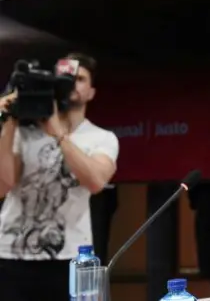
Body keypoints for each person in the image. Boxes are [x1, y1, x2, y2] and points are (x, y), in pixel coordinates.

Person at [0, 53, 120, 301]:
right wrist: (9, 123)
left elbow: (96, 182)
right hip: (10, 254)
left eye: (80, 78)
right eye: (65, 77)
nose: (71, 83)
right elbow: (3, 185)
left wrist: (57, 133)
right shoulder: (25, 134)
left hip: (69, 257)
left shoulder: (101, 138)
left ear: (91, 92)